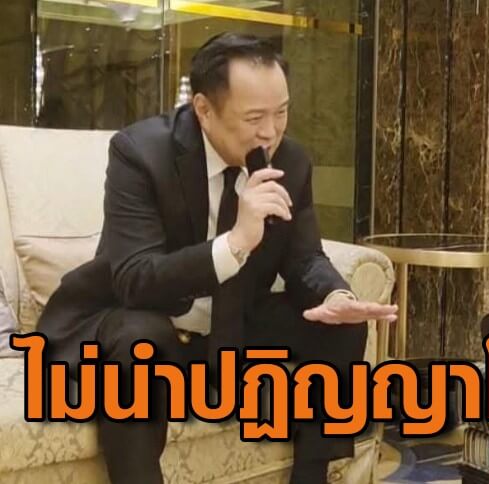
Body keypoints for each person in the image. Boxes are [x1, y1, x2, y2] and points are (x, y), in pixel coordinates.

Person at [37, 32, 397, 484]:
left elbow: (304, 258)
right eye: (254, 117)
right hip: (146, 318)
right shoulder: (140, 153)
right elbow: (135, 278)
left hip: (231, 326)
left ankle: (312, 477)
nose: (271, 131)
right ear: (204, 110)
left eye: (282, 112)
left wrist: (335, 295)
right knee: (139, 342)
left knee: (340, 325)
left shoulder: (290, 161)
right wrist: (235, 243)